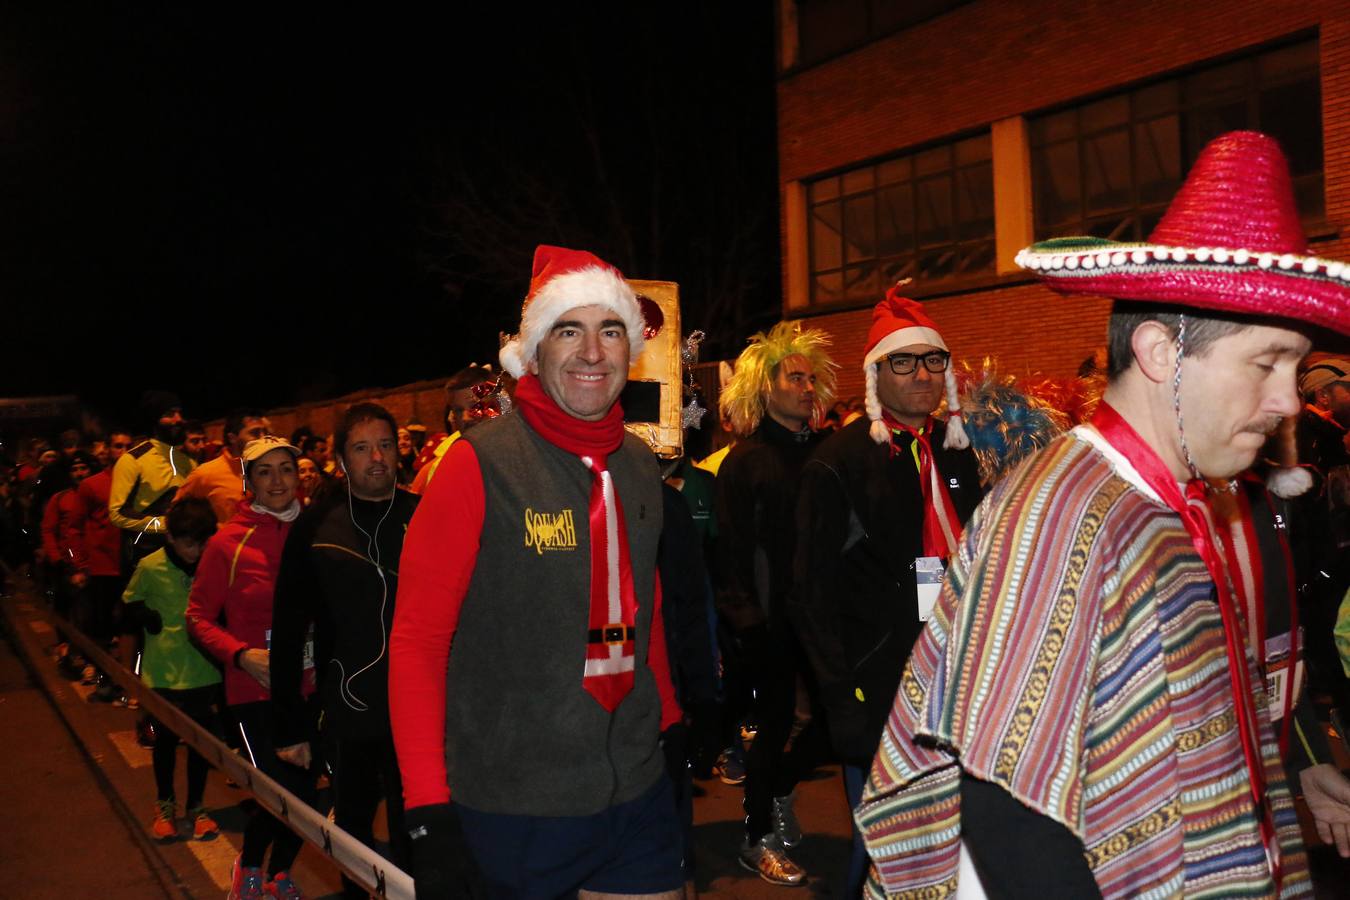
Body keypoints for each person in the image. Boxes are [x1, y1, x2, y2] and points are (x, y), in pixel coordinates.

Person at [857, 131, 1349, 897]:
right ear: (1159, 351)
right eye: (1266, 363)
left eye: (1293, 366)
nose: (1289, 400)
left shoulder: (1180, 499)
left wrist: (1283, 770)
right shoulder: (1062, 513)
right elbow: (1008, 811)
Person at [390, 245, 683, 899]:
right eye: (567, 330)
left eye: (610, 330)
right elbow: (416, 644)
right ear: (533, 351)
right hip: (515, 805)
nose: (591, 352)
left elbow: (647, 605)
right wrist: (426, 809)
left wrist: (670, 723)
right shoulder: (476, 465)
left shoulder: (640, 464)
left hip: (636, 791)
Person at [793, 287, 984, 896]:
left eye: (933, 361)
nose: (922, 374)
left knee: (955, 839)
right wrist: (838, 700)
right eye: (904, 361)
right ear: (877, 374)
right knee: (884, 844)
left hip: (962, 679)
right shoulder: (839, 462)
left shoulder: (963, 454)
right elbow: (809, 593)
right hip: (879, 688)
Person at [270, 402, 420, 899]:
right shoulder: (315, 529)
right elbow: (289, 631)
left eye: (385, 445)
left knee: (418, 833)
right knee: (353, 829)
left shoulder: (425, 517)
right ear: (340, 459)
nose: (376, 457)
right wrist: (290, 724)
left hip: (419, 710)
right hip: (349, 711)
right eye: (361, 448)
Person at [714, 320, 837, 883]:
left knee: (838, 717)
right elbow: (733, 550)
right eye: (795, 377)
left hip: (824, 617)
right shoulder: (745, 460)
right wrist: (748, 621)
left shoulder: (829, 452)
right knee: (775, 721)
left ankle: (782, 785)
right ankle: (755, 834)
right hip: (770, 621)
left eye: (811, 378)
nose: (807, 387)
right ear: (766, 388)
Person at [186, 435, 313, 900]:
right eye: (265, 471)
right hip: (254, 691)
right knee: (279, 795)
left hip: (312, 685)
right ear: (249, 481)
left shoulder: (317, 528)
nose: (278, 481)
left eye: (286, 469)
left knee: (308, 795)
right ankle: (251, 866)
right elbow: (197, 618)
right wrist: (241, 655)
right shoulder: (227, 542)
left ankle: (280, 872)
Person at [122, 497, 223, 842]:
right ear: (171, 538)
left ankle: (196, 807)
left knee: (199, 745)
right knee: (165, 743)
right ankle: (164, 804)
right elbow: (127, 603)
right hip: (162, 672)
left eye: (202, 542)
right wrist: (143, 616)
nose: (196, 551)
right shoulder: (151, 567)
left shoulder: (214, 563)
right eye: (188, 543)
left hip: (204, 671)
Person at [175, 409, 270, 525]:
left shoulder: (271, 472)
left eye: (265, 432)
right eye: (255, 433)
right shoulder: (206, 474)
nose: (263, 438)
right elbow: (176, 514)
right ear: (232, 438)